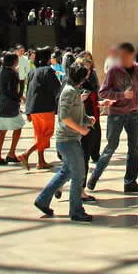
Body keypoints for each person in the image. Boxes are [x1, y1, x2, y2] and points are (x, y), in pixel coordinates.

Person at [34, 64, 101, 222]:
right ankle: (76, 211)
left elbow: (76, 112)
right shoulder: (69, 92)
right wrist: (82, 129)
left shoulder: (74, 91)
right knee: (78, 174)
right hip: (68, 140)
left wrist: (87, 120)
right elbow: (64, 116)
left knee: (67, 172)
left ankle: (43, 200)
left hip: (71, 139)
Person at [89, 43, 138, 193]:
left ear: (131, 56)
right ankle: (93, 178)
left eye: (125, 56)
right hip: (116, 114)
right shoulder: (114, 71)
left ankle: (130, 182)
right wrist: (121, 95)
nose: (122, 59)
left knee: (134, 149)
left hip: (133, 114)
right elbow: (103, 92)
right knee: (110, 147)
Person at [18, 47, 61, 170]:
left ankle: (41, 161)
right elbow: (57, 89)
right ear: (48, 58)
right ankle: (26, 153)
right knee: (48, 133)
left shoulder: (33, 71)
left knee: (39, 134)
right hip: (46, 107)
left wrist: (28, 110)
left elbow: (30, 91)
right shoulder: (48, 71)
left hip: (34, 107)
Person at [0, 51, 24, 165]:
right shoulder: (12, 73)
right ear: (13, 61)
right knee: (18, 128)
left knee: (2, 130)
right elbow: (12, 89)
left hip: (0, 102)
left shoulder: (1, 70)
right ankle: (11, 153)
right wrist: (18, 97)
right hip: (10, 103)